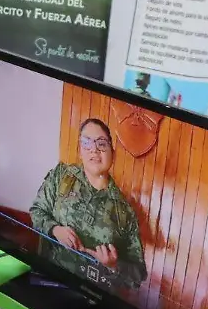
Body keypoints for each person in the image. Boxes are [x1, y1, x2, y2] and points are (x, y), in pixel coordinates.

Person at [29, 118, 146, 290]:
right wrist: (55, 229)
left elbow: (138, 275)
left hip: (92, 297)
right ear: (80, 151)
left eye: (101, 144)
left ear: (113, 153)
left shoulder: (124, 211)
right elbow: (36, 211)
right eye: (86, 143)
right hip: (48, 282)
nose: (94, 150)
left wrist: (113, 265)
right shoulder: (62, 176)